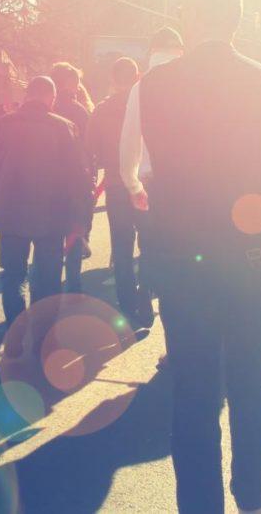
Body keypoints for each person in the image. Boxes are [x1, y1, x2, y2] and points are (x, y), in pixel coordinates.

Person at [130, 0, 261, 514]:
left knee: (193, 389)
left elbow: (157, 174)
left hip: (182, 257)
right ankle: (253, 495)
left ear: (191, 19)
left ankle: (199, 505)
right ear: (237, 21)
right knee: (249, 381)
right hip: (247, 258)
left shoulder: (156, 85)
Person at [0, 76, 92, 332]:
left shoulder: (2, 125)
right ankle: (42, 336)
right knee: (48, 279)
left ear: (27, 96)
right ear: (50, 98)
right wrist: (80, 219)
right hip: (52, 216)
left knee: (13, 275)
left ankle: (16, 331)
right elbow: (78, 179)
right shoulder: (64, 127)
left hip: (10, 213)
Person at [87, 57, 154, 330]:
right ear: (137, 76)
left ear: (113, 78)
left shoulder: (102, 110)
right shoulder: (147, 105)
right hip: (145, 184)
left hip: (116, 185)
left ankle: (127, 306)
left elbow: (91, 148)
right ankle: (146, 299)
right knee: (149, 244)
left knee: (123, 247)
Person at [120, 26, 185, 204]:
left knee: (153, 231)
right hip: (190, 184)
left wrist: (133, 185)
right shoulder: (193, 83)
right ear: (180, 51)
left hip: (152, 184)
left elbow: (130, 140)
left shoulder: (141, 87)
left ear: (153, 51)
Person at [50, 62, 94, 294]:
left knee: (48, 240)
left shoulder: (48, 107)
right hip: (76, 181)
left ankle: (48, 290)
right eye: (76, 79)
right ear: (67, 82)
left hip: (47, 181)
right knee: (75, 234)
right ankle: (73, 287)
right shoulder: (78, 110)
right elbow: (89, 147)